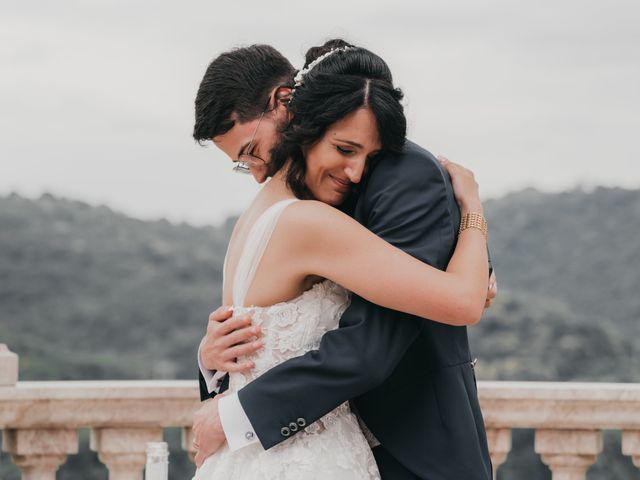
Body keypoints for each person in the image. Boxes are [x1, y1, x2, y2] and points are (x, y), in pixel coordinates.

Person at [193, 40, 495, 479]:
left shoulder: (398, 175)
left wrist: (473, 229)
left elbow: (376, 339)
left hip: (413, 449)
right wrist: (211, 356)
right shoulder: (296, 209)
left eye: (251, 151)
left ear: (283, 104)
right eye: (244, 163)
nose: (257, 172)